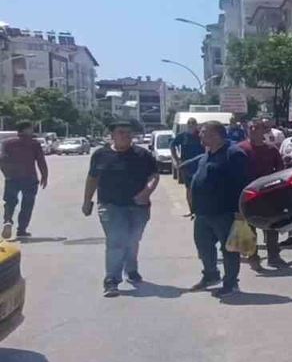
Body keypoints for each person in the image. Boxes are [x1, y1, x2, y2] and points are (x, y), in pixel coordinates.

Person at [81, 121, 158, 296]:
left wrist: (146, 192)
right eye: (121, 132)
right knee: (116, 240)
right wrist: (87, 201)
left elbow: (154, 175)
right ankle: (112, 280)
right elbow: (92, 178)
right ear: (112, 135)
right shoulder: (101, 155)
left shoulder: (142, 155)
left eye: (128, 133)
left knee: (133, 240)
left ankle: (131, 269)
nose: (126, 136)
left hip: (138, 206)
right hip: (110, 206)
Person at [188, 121, 251, 297]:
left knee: (229, 249)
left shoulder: (234, 154)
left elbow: (242, 183)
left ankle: (231, 283)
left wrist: (240, 211)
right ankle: (210, 275)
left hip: (225, 212)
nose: (200, 135)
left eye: (203, 132)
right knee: (203, 245)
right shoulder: (207, 154)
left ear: (216, 134)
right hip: (203, 212)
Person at [240, 120, 286, 269]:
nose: (253, 130)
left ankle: (273, 256)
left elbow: (280, 170)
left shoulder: (271, 149)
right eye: (251, 128)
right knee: (249, 227)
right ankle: (253, 257)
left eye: (257, 128)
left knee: (271, 225)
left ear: (263, 131)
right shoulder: (241, 149)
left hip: (267, 194)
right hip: (248, 194)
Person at [0, 121, 49, 240]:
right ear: (25, 129)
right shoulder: (34, 144)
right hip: (29, 177)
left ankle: (7, 221)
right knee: (27, 203)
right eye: (31, 128)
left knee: (10, 201)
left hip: (12, 178)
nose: (32, 131)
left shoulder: (7, 143)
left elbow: (2, 160)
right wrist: (44, 176)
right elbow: (41, 161)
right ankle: (21, 230)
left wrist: (6, 174)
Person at [172, 118, 203, 183]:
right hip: (186, 165)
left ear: (196, 125)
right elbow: (172, 146)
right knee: (188, 185)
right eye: (189, 124)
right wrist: (177, 160)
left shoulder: (201, 135)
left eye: (193, 123)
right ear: (187, 125)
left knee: (199, 183)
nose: (191, 125)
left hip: (199, 164)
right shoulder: (182, 136)